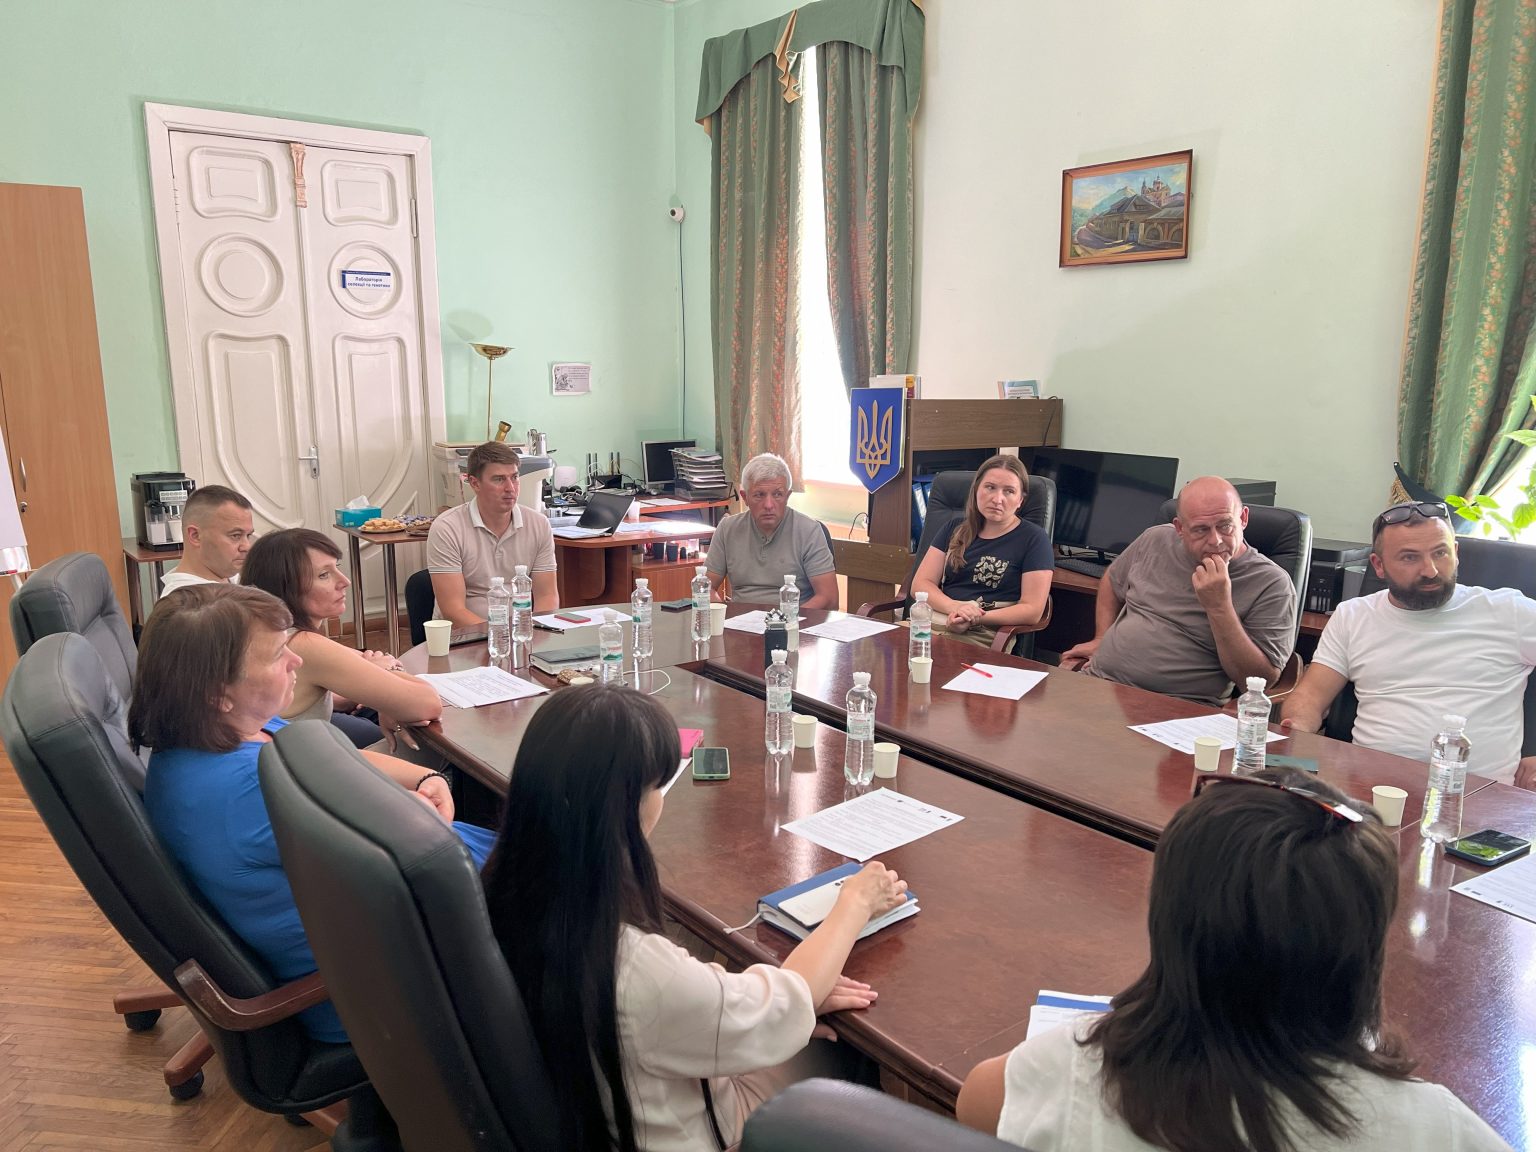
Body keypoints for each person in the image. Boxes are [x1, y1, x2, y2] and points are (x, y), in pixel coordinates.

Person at [956, 769, 1511, 1152]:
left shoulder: (1063, 1073)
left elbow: (975, 1102)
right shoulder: (1434, 1129)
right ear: (1364, 951)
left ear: (1169, 924)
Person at [480, 683, 906, 1152]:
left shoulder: (504, 889)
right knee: (845, 1052)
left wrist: (769, 1000)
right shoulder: (635, 964)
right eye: (657, 785)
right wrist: (854, 904)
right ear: (621, 808)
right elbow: (788, 1002)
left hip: (603, 1103)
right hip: (694, 1130)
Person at [130, 584, 494, 1045]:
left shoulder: (226, 730)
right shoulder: (253, 787)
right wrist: (417, 809)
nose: (296, 661)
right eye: (277, 655)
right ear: (219, 693)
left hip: (404, 920)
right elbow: (413, 853)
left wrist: (423, 778)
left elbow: (336, 756)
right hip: (386, 983)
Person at [1282, 501, 1536, 785]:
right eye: (1409, 557)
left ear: (1456, 552)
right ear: (1379, 565)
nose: (1430, 570)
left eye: (1440, 553)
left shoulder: (1509, 611)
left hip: (1476, 793)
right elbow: (1310, 697)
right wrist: (1297, 728)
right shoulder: (1353, 615)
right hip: (1369, 786)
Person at [1061, 476, 1295, 705]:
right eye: (1201, 530)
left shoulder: (1271, 583)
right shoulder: (1156, 539)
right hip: (1101, 683)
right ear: (1180, 528)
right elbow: (1112, 580)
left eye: (1225, 525)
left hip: (1180, 706)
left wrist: (1219, 606)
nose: (1215, 540)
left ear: (1243, 518)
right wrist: (1101, 637)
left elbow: (1260, 681)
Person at [242, 528, 442, 751]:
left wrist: (382, 694)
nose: (344, 581)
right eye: (324, 575)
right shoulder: (303, 644)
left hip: (295, 755)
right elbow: (429, 703)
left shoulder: (268, 633)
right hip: (305, 765)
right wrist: (387, 676)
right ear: (286, 587)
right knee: (432, 753)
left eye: (337, 567)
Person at [909, 454, 1053, 647]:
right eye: (990, 487)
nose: (997, 499)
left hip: (982, 634)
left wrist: (974, 618)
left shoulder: (1034, 539)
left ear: (1020, 500)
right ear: (976, 489)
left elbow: (1032, 610)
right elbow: (920, 584)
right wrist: (956, 608)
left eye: (1009, 491)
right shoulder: (954, 528)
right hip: (932, 622)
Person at [427, 441, 557, 626]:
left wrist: (534, 632)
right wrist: (500, 635)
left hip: (521, 632)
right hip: (465, 635)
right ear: (475, 483)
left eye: (514, 477)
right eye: (499, 479)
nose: (510, 488)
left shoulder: (539, 524)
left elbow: (547, 596)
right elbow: (453, 610)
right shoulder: (447, 528)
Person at [707, 453, 837, 609]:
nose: (768, 505)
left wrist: (787, 620)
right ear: (745, 497)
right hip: (740, 620)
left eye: (777, 494)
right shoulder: (727, 529)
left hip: (795, 620)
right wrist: (721, 614)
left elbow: (828, 598)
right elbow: (705, 588)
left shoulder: (809, 531)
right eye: (759, 495)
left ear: (787, 496)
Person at [159, 485, 255, 596]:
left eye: (248, 535)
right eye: (235, 535)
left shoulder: (230, 577)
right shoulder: (187, 602)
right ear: (195, 536)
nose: (247, 547)